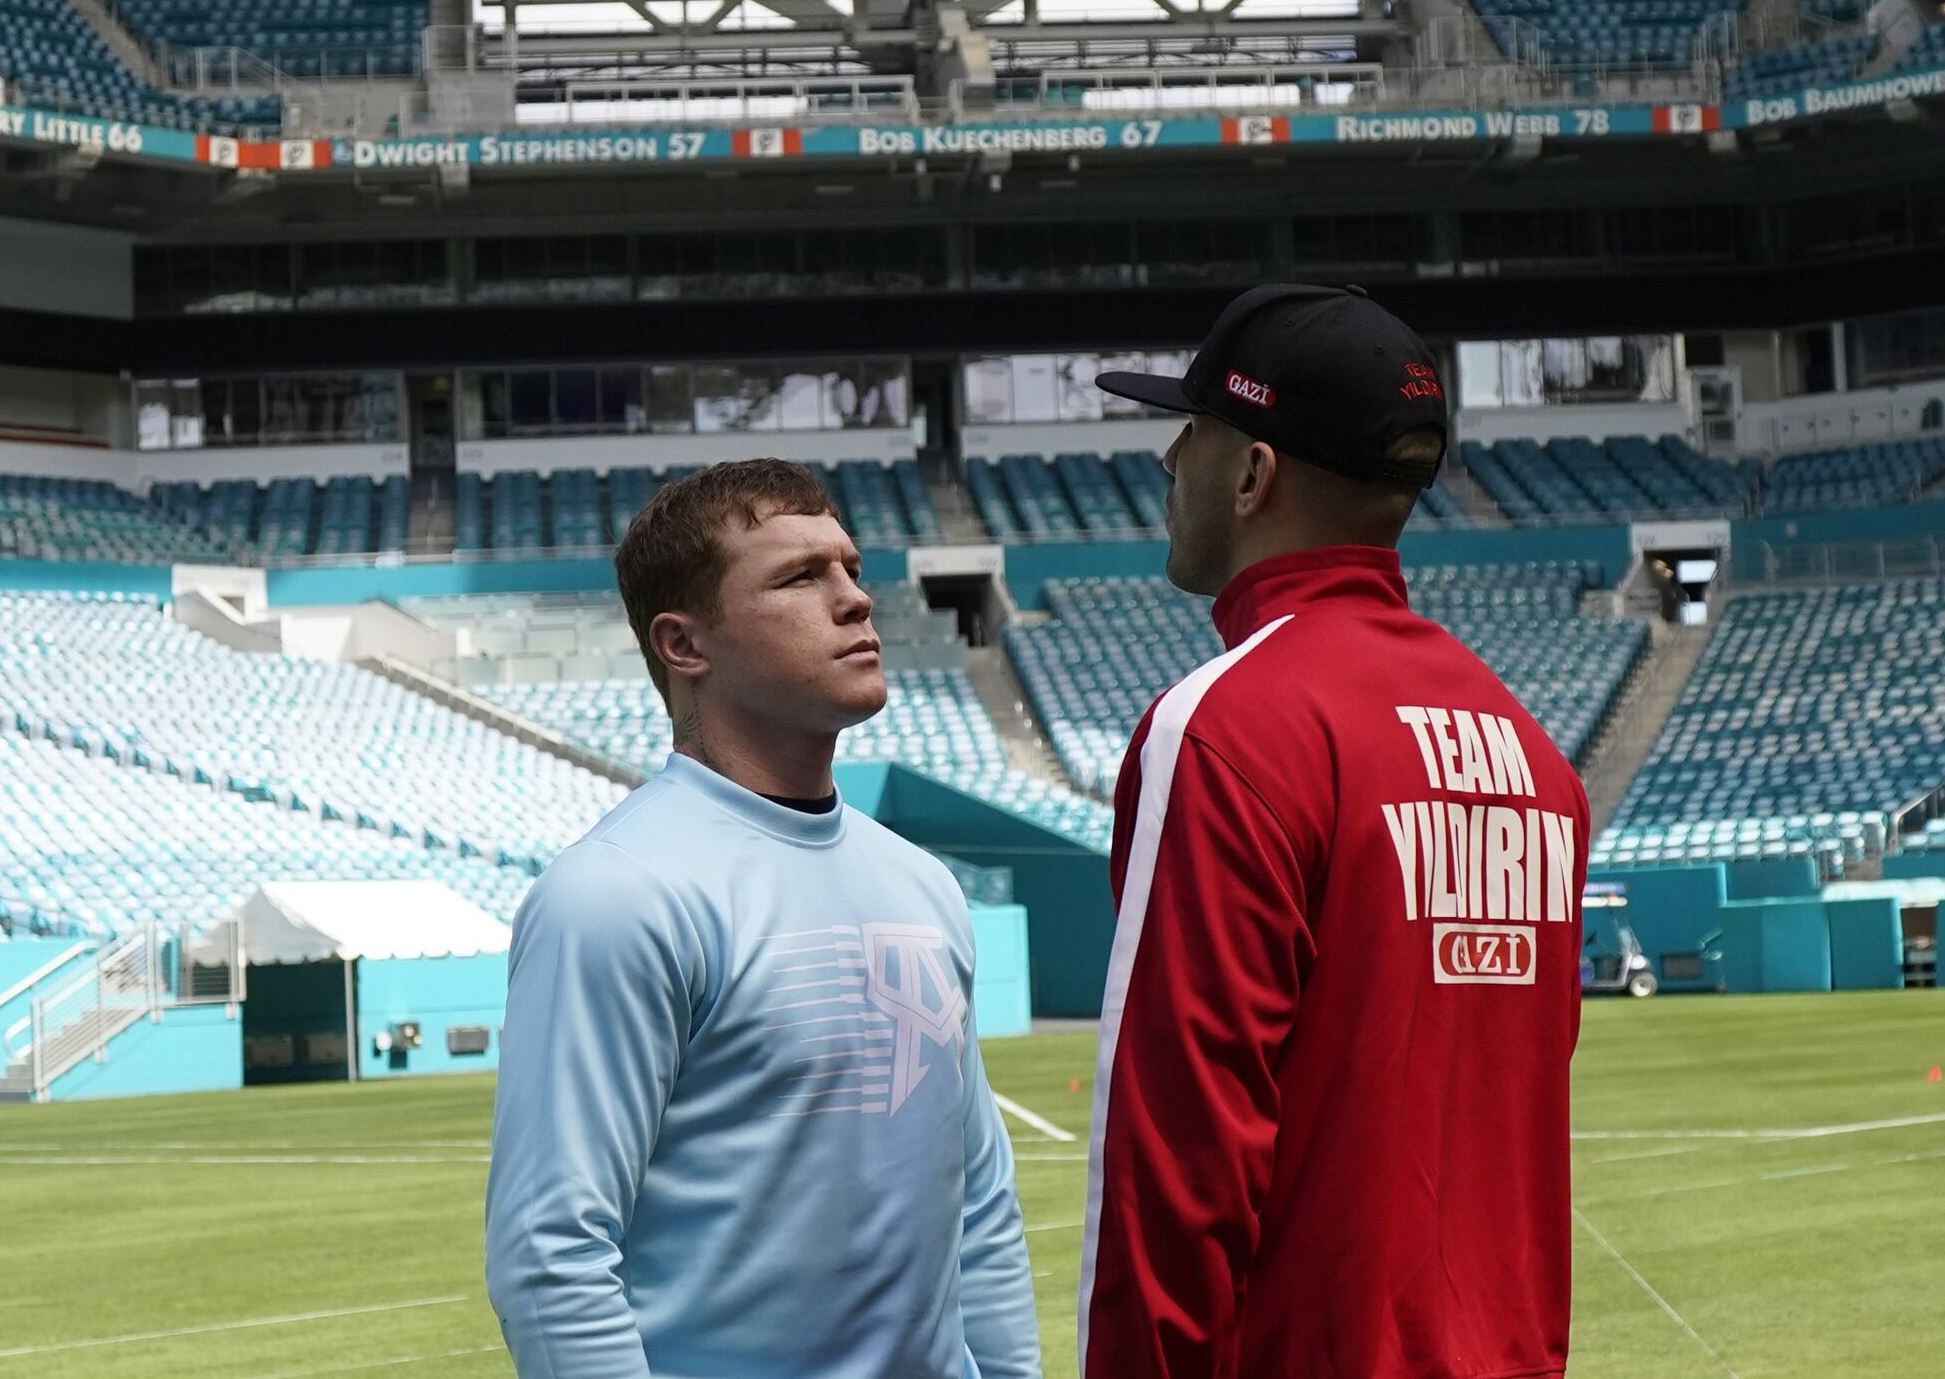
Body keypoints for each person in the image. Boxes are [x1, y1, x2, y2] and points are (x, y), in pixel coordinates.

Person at [1077, 286, 1589, 1379]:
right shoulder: (1531, 753)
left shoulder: (1225, 728)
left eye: (1193, 431)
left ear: (1253, 474)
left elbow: (1178, 1158)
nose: (1169, 459)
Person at [486, 459, 1039, 1379]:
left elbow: (976, 1196)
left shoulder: (922, 883)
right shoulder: (615, 894)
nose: (856, 600)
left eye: (850, 568)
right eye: (799, 577)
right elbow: (553, 1255)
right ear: (684, 645)